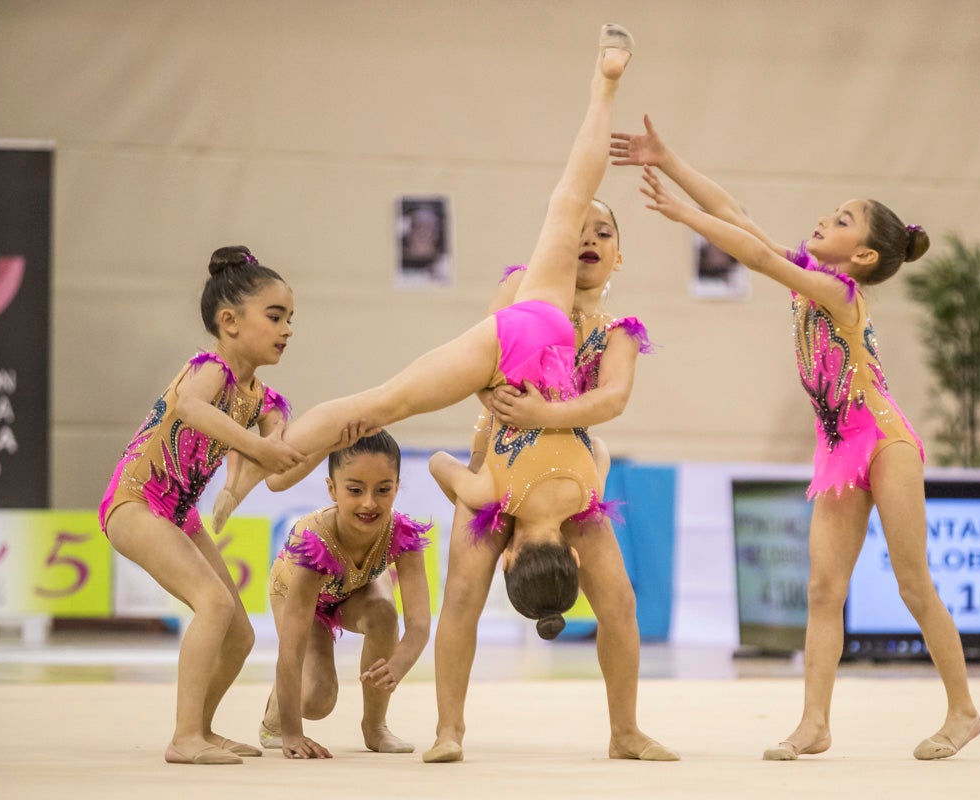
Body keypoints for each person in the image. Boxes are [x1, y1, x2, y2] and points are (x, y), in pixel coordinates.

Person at [217, 24, 638, 646]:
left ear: (568, 560)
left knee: (572, 196)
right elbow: (441, 464)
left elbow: (595, 446)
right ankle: (257, 472)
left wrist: (539, 415)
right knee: (381, 404)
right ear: (511, 561)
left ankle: (605, 84)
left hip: (537, 333)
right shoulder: (498, 494)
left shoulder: (588, 492)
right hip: (519, 366)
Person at [616, 116, 980, 761]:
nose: (825, 219)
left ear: (863, 257)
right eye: (833, 212)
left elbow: (751, 251)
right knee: (822, 589)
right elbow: (734, 212)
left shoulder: (839, 292)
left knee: (912, 581)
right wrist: (666, 158)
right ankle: (814, 724)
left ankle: (963, 711)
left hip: (884, 439)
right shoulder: (807, 270)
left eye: (843, 220)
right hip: (837, 448)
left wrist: (682, 218)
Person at [421, 219, 672, 764]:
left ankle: (624, 731)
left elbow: (612, 401)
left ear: (618, 258)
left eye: (605, 232)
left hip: (566, 485)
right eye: (579, 228)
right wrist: (500, 401)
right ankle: (448, 729)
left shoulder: (619, 331)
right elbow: (483, 357)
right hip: (499, 468)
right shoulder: (519, 288)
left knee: (620, 602)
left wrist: (544, 413)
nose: (589, 240)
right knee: (461, 596)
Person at [97, 245, 307, 765]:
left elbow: (276, 458)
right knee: (212, 605)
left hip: (179, 514)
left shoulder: (265, 399)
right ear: (229, 321)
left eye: (291, 319)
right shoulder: (209, 368)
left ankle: (203, 729)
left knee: (239, 633)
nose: (287, 329)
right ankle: (183, 737)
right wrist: (258, 446)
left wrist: (249, 478)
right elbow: (188, 408)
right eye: (275, 316)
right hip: (135, 501)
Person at [258, 431, 432, 760]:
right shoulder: (315, 541)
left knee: (383, 612)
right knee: (318, 699)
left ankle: (376, 726)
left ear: (397, 486)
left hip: (354, 587)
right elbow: (291, 651)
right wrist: (292, 733)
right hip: (299, 597)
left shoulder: (403, 534)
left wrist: (397, 665)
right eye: (355, 490)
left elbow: (420, 624)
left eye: (383, 489)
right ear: (332, 489)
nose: (369, 502)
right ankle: (273, 717)